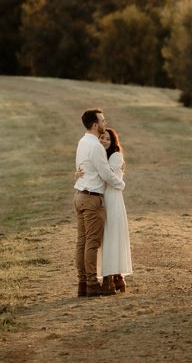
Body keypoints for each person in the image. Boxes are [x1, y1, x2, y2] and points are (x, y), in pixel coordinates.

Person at [73, 107, 125, 297]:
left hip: (79, 195)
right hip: (92, 198)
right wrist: (121, 182)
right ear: (95, 125)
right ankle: (93, 284)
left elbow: (80, 167)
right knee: (92, 244)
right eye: (102, 121)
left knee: (82, 242)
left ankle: (82, 283)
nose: (105, 123)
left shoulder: (82, 142)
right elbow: (105, 174)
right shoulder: (95, 145)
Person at [97, 127, 131, 292]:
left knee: (112, 236)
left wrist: (121, 184)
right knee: (106, 237)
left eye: (108, 139)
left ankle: (112, 277)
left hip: (113, 199)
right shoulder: (100, 155)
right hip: (104, 198)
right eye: (102, 138)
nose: (104, 141)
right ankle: (114, 276)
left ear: (113, 142)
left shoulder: (116, 156)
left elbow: (109, 177)